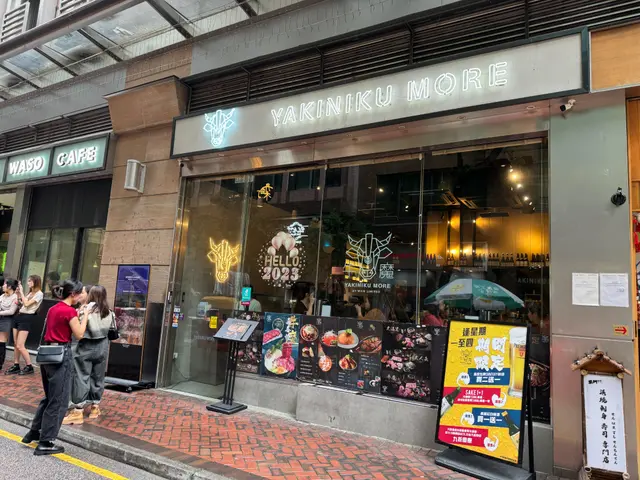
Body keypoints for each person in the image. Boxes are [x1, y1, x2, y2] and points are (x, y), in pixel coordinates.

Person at [22, 279, 88, 456]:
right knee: (59, 400)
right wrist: (86, 316)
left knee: (50, 396)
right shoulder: (69, 311)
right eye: (80, 293)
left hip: (47, 354)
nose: (81, 296)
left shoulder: (53, 308)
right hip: (61, 355)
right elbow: (79, 334)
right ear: (73, 294)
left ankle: (34, 432)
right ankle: (46, 442)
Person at [63, 285, 113, 425]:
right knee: (98, 377)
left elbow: (77, 329)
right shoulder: (109, 312)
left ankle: (77, 411)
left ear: (91, 295)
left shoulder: (86, 310)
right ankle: (95, 407)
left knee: (81, 377)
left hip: (85, 347)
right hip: (102, 348)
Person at [6, 276, 44, 375]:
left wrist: (22, 292)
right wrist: (19, 295)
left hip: (27, 318)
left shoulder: (39, 294)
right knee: (15, 343)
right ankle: (16, 365)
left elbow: (27, 304)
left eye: (30, 281)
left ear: (36, 282)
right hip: (19, 316)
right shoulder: (30, 293)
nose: (28, 283)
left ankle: (29, 366)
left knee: (20, 345)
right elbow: (22, 304)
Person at [0, 279, 20, 369]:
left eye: (5, 284)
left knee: (1, 341)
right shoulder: (2, 296)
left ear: (10, 286)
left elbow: (11, 311)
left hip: (6, 320)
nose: (3, 286)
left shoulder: (15, 297)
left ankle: (0, 363)